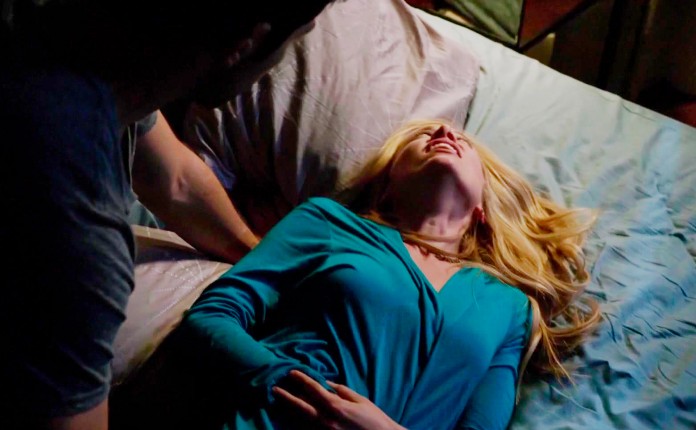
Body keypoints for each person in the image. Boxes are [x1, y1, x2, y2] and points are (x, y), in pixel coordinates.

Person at [0, 1, 338, 429]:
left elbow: (175, 180)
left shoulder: (85, 44)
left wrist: (259, 262)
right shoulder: (77, 231)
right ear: (247, 43)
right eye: (293, 41)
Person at [139, 119, 601, 429]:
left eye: (463, 142)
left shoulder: (510, 308)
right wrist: (298, 389)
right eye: (420, 136)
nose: (444, 131)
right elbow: (211, 317)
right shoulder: (328, 223)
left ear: (482, 208)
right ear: (387, 184)